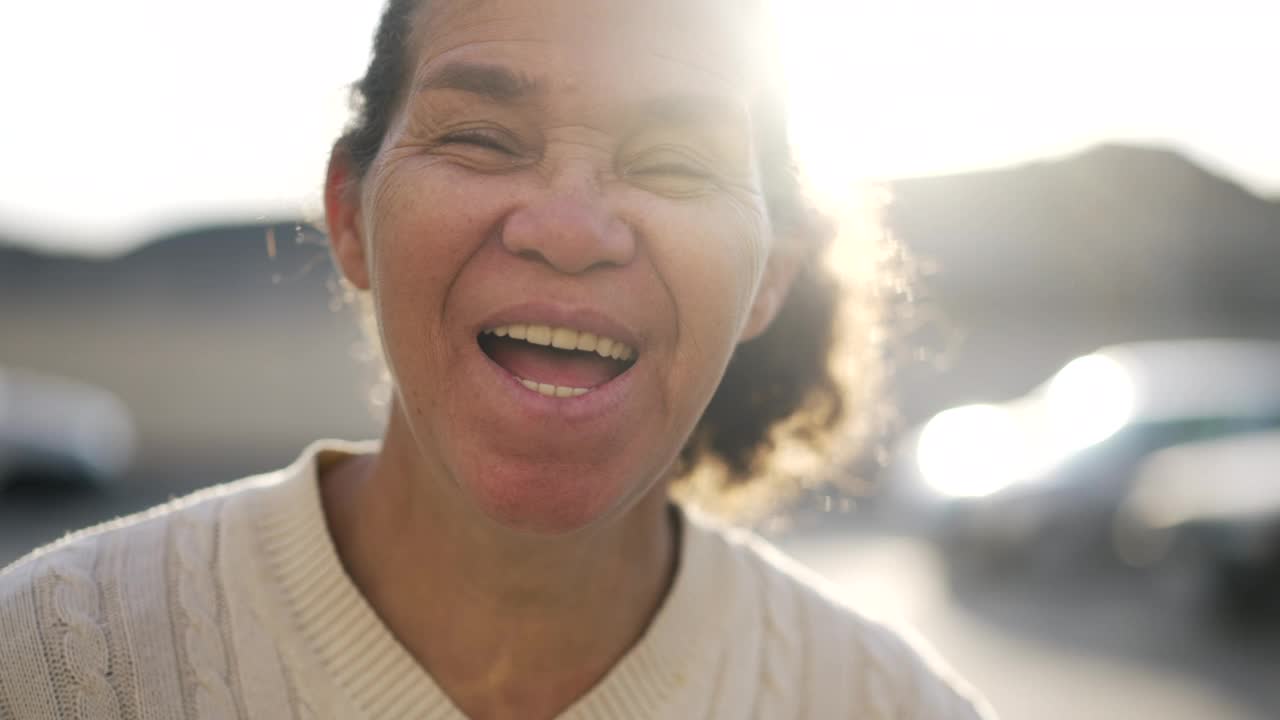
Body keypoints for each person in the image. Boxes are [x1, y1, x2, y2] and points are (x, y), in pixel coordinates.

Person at [0, 1, 993, 718]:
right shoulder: (50, 660)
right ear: (348, 215)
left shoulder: (890, 705)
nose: (568, 229)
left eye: (674, 162)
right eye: (479, 137)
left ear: (767, 278)